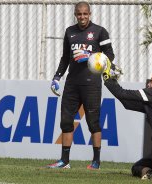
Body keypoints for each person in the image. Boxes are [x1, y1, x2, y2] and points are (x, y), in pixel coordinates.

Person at [47, 1, 116, 169]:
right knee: (66, 121)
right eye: (79, 14)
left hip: (91, 84)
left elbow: (110, 55)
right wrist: (57, 77)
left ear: (90, 14)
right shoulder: (69, 31)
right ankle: (64, 161)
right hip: (72, 83)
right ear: (75, 14)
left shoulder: (99, 31)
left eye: (85, 14)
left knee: (93, 123)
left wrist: (91, 56)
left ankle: (96, 162)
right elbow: (65, 58)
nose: (82, 17)